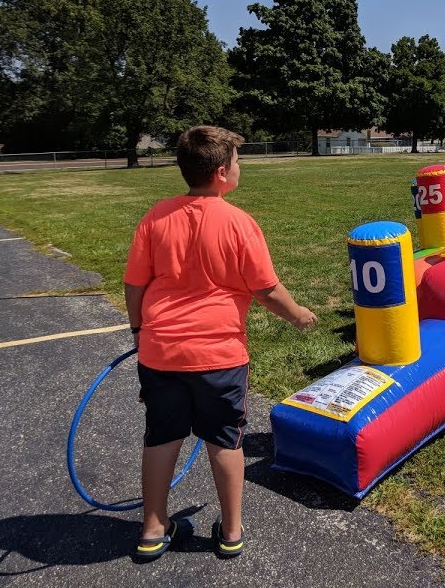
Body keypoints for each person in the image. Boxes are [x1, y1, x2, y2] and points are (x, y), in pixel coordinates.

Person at [124, 125, 317, 561]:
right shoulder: (239, 223)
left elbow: (134, 285)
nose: (239, 167)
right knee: (226, 440)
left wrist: (139, 331)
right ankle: (231, 530)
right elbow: (266, 289)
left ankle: (153, 528)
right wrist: (299, 314)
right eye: (237, 161)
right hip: (219, 357)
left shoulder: (155, 217)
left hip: (161, 352)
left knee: (161, 436)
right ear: (221, 173)